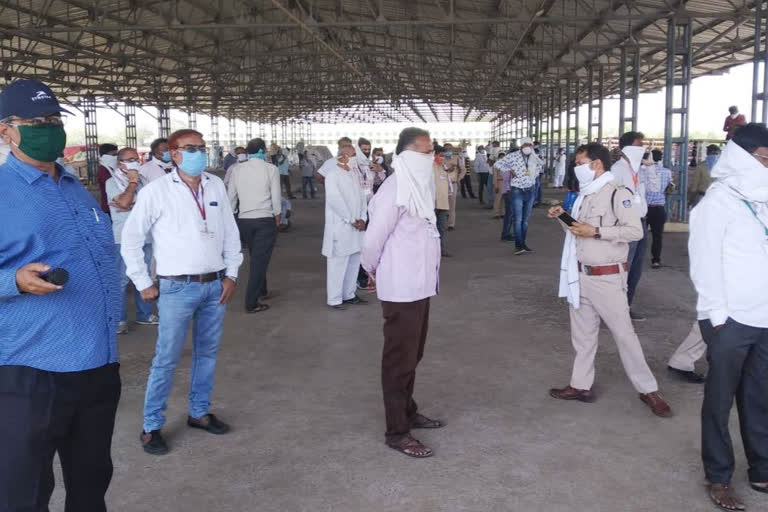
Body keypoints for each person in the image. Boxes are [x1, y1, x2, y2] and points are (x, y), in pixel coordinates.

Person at [0, 79, 122, 510]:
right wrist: (11, 281)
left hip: (98, 363)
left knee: (91, 482)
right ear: (6, 131)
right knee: (25, 490)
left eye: (54, 120)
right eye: (36, 122)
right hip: (33, 371)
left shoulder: (74, 188)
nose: (49, 129)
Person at [121, 128, 242, 455]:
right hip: (176, 288)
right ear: (173, 154)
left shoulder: (215, 184)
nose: (199, 154)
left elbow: (230, 233)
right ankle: (151, 426)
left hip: (214, 285)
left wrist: (231, 273)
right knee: (166, 358)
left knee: (207, 354)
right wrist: (142, 281)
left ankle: (199, 412)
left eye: (202, 148)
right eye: (191, 148)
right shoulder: (156, 192)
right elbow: (131, 239)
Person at [547, 143, 672, 418]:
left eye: (580, 162)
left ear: (596, 164)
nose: (576, 168)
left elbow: (634, 231)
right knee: (583, 336)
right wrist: (562, 217)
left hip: (607, 278)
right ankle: (581, 386)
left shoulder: (618, 193)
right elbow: (580, 230)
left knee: (625, 335)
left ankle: (648, 389)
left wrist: (597, 231)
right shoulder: (586, 195)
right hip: (581, 275)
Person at [689, 123, 768, 511]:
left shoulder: (764, 197)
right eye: (766, 158)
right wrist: (718, 319)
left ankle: (762, 468)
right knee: (720, 401)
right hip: (729, 319)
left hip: (764, 317)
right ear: (745, 157)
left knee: (759, 396)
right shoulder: (717, 203)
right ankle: (719, 476)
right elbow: (703, 266)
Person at [361, 127, 443, 459]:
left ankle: (408, 410)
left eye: (431, 150)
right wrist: (372, 270)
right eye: (425, 152)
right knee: (398, 359)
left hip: (420, 286)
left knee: (413, 354)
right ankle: (397, 431)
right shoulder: (395, 189)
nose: (430, 157)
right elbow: (372, 239)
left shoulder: (417, 187)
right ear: (407, 155)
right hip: (401, 288)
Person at [106, 147, 158, 334]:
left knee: (143, 277)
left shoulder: (146, 182)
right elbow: (125, 202)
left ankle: (144, 315)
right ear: (120, 164)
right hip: (123, 238)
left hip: (146, 236)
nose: (134, 162)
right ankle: (120, 319)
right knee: (120, 280)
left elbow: (150, 207)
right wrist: (133, 182)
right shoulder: (112, 182)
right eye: (130, 159)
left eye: (136, 158)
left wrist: (129, 204)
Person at [227, 137, 281, 314]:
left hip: (244, 220)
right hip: (264, 219)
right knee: (259, 261)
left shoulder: (237, 169)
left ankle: (263, 289)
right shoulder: (271, 169)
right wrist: (277, 215)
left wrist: (230, 217)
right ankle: (251, 303)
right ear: (263, 151)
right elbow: (275, 195)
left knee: (257, 256)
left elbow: (231, 196)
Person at [322, 144, 368, 310]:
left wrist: (363, 218)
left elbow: (362, 198)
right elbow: (335, 200)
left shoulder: (353, 175)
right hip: (341, 227)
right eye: (354, 154)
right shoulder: (333, 175)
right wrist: (351, 219)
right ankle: (334, 298)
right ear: (343, 156)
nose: (357, 157)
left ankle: (349, 294)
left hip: (356, 228)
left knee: (354, 262)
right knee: (338, 264)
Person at [610, 131, 648, 321]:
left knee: (636, 268)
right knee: (624, 266)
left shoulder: (637, 170)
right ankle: (616, 309)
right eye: (638, 145)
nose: (642, 149)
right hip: (627, 224)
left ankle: (626, 305)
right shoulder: (617, 170)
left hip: (641, 222)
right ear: (626, 149)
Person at [495, 138, 541, 254]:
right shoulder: (513, 156)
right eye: (525, 145)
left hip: (530, 190)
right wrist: (509, 170)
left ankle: (523, 244)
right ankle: (518, 245)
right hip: (517, 190)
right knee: (518, 219)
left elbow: (540, 166)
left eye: (530, 145)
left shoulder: (534, 156)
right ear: (521, 146)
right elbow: (497, 164)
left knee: (525, 220)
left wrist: (534, 176)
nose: (528, 147)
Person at [644, 149, 672, 269]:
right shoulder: (667, 172)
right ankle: (656, 260)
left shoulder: (643, 171)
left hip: (645, 208)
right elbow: (669, 188)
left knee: (641, 235)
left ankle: (637, 257)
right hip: (659, 208)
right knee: (657, 236)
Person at [433, 145, 452, 257]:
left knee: (442, 228)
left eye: (443, 156)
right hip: (433, 203)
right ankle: (432, 250)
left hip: (443, 203)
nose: (442, 157)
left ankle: (440, 249)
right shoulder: (429, 167)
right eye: (440, 155)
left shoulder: (443, 166)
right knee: (431, 230)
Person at [441, 143, 465, 230]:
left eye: (449, 149)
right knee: (442, 205)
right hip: (442, 185)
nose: (447, 151)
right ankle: (442, 223)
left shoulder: (456, 159)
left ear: (452, 150)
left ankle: (451, 224)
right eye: (446, 149)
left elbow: (463, 170)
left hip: (453, 184)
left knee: (452, 205)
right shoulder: (440, 160)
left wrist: (459, 179)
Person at [97, 142, 118, 215]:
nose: (116, 157)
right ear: (105, 156)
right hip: (109, 206)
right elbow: (113, 187)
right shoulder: (103, 170)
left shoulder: (113, 168)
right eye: (114, 155)